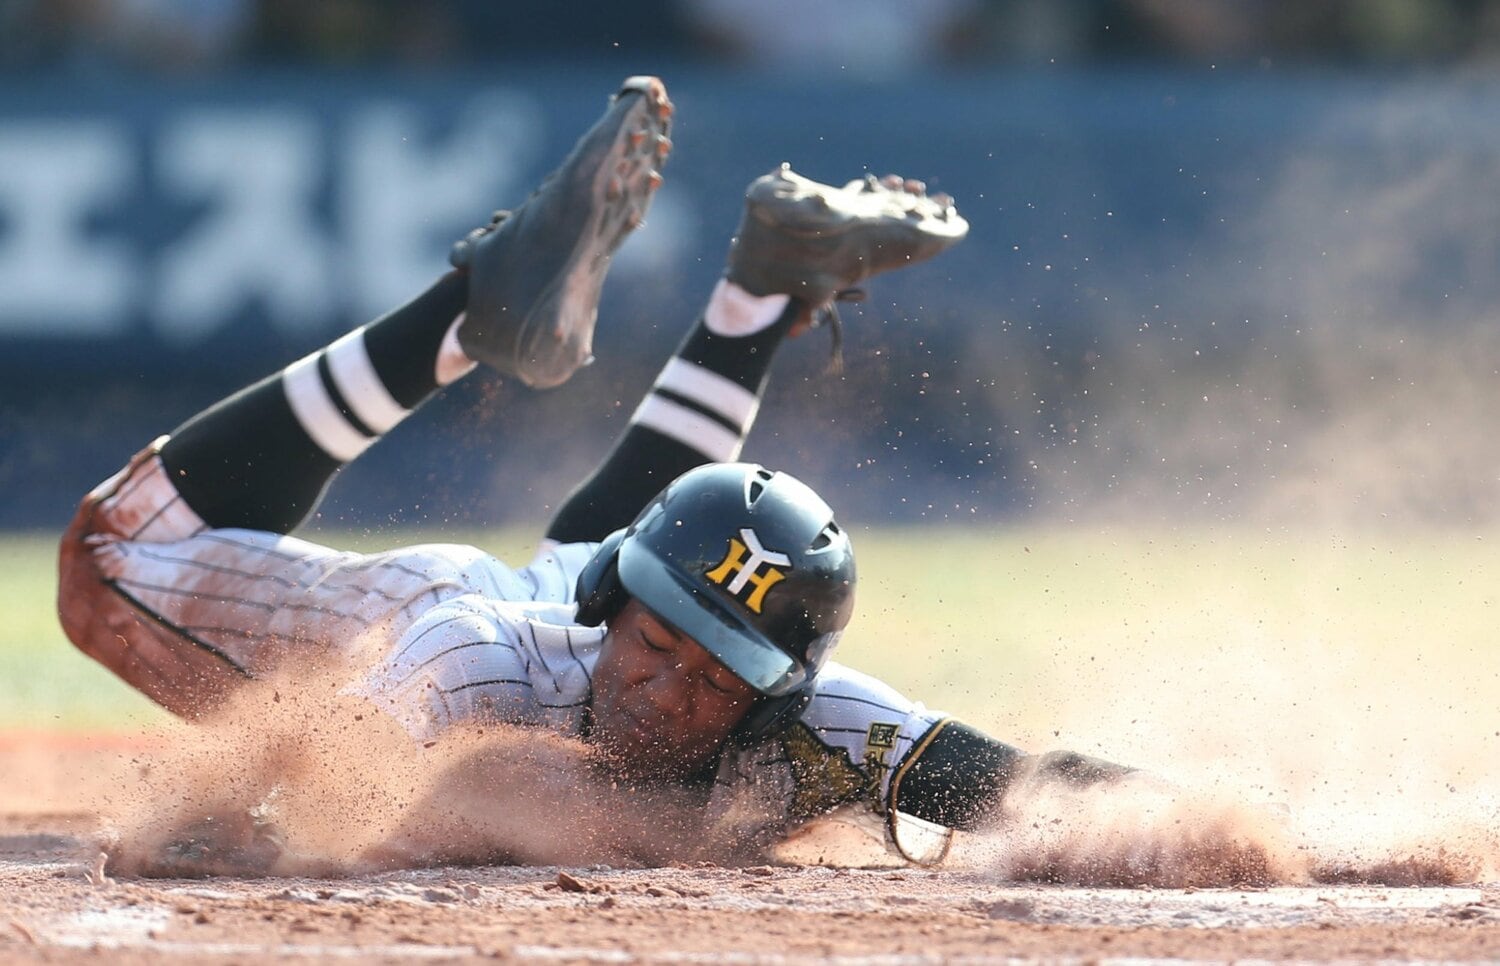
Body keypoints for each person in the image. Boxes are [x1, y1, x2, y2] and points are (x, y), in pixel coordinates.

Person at [57, 75, 1132, 867]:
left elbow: (1023, 784)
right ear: (614, 605)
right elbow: (331, 801)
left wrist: (1230, 823)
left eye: (717, 679)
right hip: (429, 617)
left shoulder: (804, 709)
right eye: (660, 645)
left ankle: (759, 296)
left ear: (777, 691)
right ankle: (464, 314)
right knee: (112, 562)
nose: (669, 693)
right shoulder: (464, 656)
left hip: (568, 602)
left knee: (677, 567)